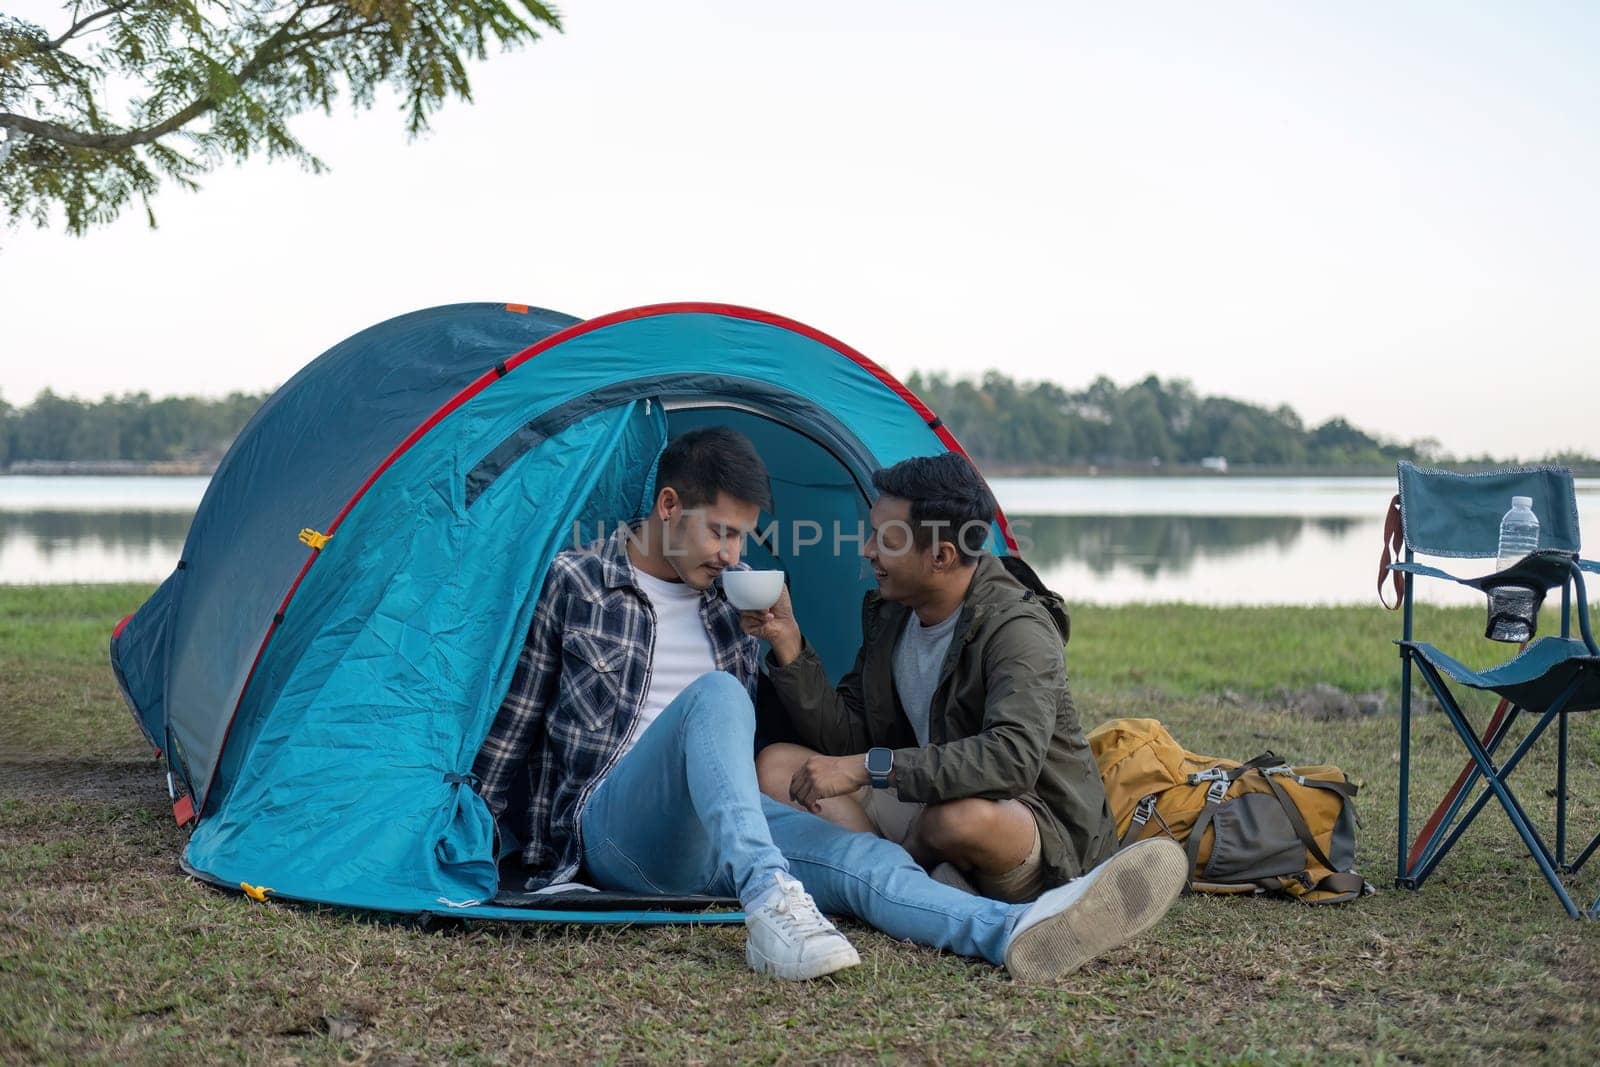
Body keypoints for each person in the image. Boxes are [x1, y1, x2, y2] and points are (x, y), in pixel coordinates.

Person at [475, 429, 1184, 984]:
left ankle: (1012, 927)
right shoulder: (579, 581)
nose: (733, 554)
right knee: (719, 696)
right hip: (616, 830)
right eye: (720, 532)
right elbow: (513, 731)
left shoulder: (736, 596)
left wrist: (784, 638)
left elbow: (793, 741)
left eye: (743, 537)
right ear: (667, 508)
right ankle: (769, 900)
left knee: (867, 861)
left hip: (724, 835)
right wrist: (472, 848)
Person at [747, 453, 1182, 929]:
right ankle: (917, 883)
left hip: (1031, 826)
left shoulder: (1017, 628)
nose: (867, 550)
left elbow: (1010, 760)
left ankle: (912, 882)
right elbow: (846, 740)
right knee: (779, 767)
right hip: (925, 797)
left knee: (955, 820)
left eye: (885, 540)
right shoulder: (891, 614)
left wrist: (870, 768)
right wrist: (788, 643)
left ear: (941, 556)